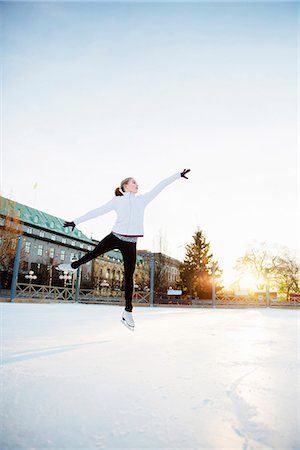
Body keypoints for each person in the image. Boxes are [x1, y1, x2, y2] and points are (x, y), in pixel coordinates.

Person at [58, 168, 191, 330]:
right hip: (115, 236)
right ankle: (73, 266)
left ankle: (128, 311)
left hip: (131, 242)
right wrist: (76, 222)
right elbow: (97, 211)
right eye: (134, 182)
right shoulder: (117, 200)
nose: (137, 184)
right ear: (125, 186)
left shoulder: (142, 200)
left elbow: (160, 186)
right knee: (94, 252)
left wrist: (177, 176)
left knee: (129, 276)